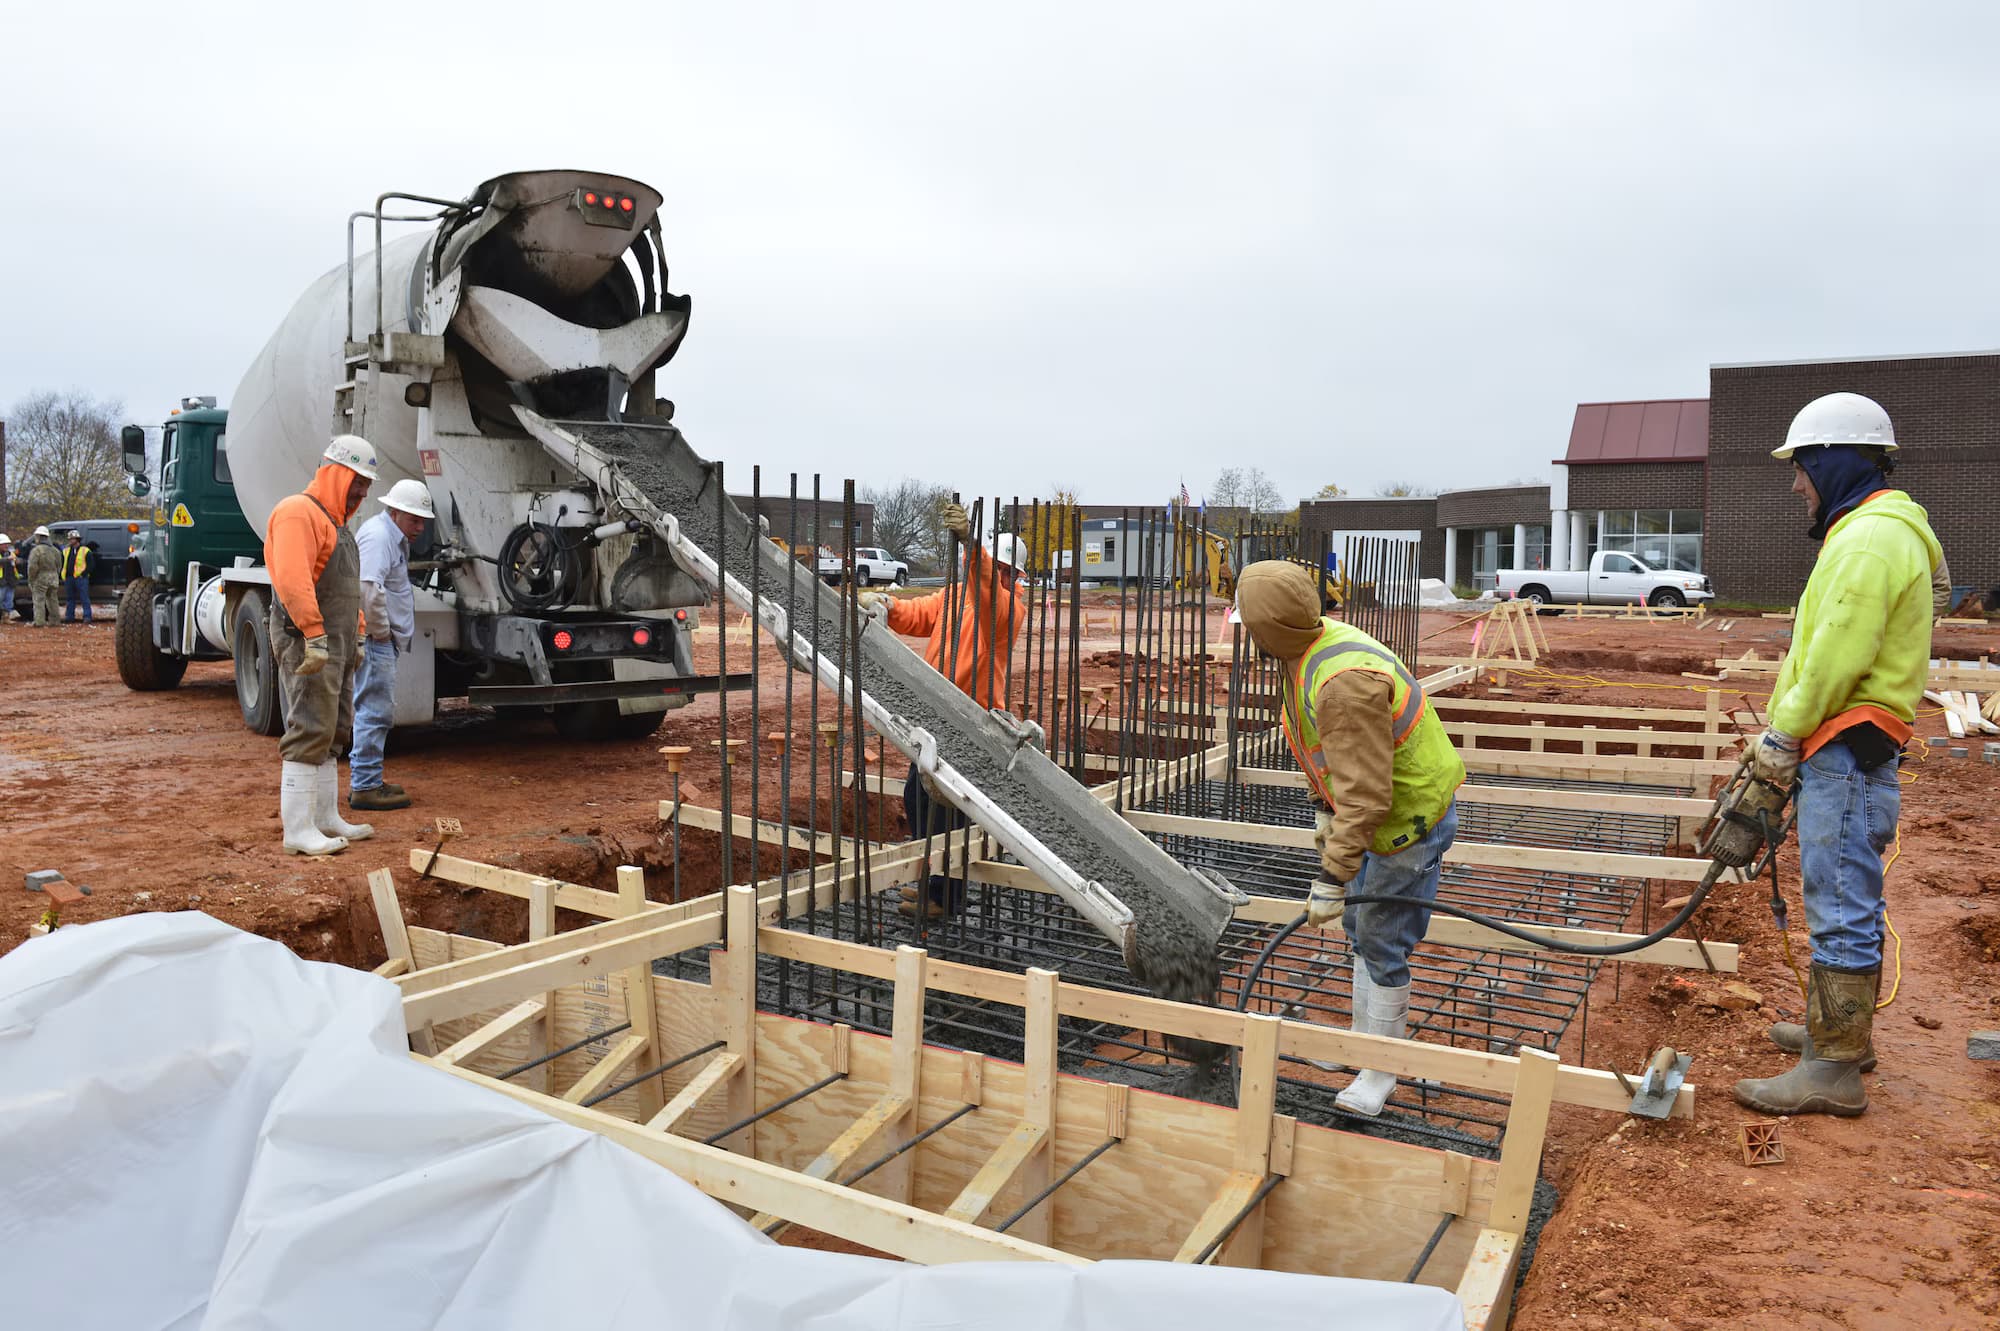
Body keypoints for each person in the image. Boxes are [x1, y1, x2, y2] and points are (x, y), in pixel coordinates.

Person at [1735, 393, 1942, 1119]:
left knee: (1841, 898)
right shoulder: (1875, 531)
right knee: (1848, 890)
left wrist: (1781, 736)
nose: (1797, 484)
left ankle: (1833, 1069)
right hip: (1852, 742)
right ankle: (1839, 1034)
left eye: (1802, 467)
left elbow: (1834, 657)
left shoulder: (1870, 540)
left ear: (1834, 462)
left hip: (1843, 744)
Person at [1234, 559, 1465, 1117]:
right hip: (1377, 815)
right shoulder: (1312, 648)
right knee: (1362, 930)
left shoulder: (1343, 685)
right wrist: (1323, 810)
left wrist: (1331, 877)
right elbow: (1324, 753)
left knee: (1382, 940)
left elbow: (1367, 799)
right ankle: (1363, 1044)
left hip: (1404, 824)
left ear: (1269, 631)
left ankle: (1379, 1070)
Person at [857, 500, 1024, 920]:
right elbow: (919, 614)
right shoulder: (956, 597)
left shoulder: (1007, 610)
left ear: (1012, 575)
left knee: (947, 813)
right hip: (935, 715)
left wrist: (971, 545)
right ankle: (933, 885)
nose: (998, 575)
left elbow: (988, 594)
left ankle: (944, 898)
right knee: (917, 799)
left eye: (1004, 571)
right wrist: (887, 605)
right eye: (997, 569)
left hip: (971, 721)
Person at [267, 435, 381, 856]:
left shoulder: (337, 525)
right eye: (357, 480)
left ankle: (325, 818)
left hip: (338, 641)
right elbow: (293, 581)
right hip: (309, 639)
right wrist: (314, 635)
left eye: (366, 483)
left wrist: (359, 633)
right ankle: (298, 830)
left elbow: (348, 591)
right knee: (310, 725)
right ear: (337, 473)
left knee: (334, 728)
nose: (362, 491)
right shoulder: (298, 513)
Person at [349, 479, 433, 812]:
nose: (420, 527)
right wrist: (382, 633)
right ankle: (365, 786)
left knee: (375, 708)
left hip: (379, 638)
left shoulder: (390, 536)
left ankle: (367, 779)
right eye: (414, 519)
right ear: (395, 512)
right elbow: (368, 591)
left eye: (422, 520)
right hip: (376, 639)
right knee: (375, 709)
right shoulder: (380, 537)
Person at [26, 526, 61, 627]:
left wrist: (31, 579)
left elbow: (32, 567)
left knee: (39, 600)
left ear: (38, 537)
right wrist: (55, 575)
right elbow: (59, 565)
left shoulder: (36, 550)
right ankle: (55, 621)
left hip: (41, 578)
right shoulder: (55, 550)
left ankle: (39, 622)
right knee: (53, 600)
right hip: (54, 577)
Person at [60, 530, 93, 624]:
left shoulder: (85, 550)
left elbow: (91, 565)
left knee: (84, 598)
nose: (70, 540)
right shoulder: (66, 551)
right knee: (70, 598)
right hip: (69, 578)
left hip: (81, 578)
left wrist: (83, 574)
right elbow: (62, 563)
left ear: (77, 539)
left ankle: (87, 616)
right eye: (70, 539)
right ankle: (69, 617)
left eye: (72, 539)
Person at [0, 533, 19, 622]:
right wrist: (8, 559)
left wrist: (18, 561)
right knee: (1, 599)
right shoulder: (7, 556)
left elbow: (17, 562)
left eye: (7, 544)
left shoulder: (10, 553)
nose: (6, 546)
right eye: (4, 544)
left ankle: (6, 618)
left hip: (10, 581)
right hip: (1, 581)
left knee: (9, 601)